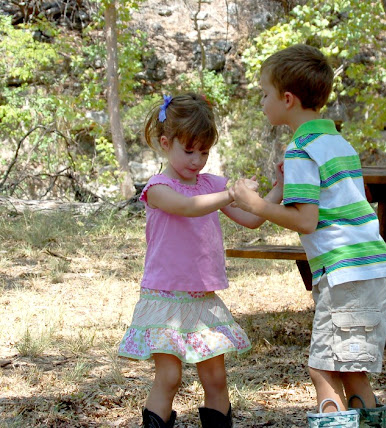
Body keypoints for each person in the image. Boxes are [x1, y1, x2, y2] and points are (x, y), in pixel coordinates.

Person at [229, 44, 386, 427]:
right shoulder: (338, 142)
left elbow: (306, 221)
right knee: (353, 371)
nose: (262, 102)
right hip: (370, 269)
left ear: (287, 99)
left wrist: (255, 203)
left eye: (265, 94)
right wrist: (270, 192)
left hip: (343, 273)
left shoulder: (301, 149)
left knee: (323, 370)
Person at [118, 93, 283, 428]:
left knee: (216, 378)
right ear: (166, 143)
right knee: (169, 377)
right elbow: (187, 207)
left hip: (203, 299)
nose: (197, 160)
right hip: (164, 298)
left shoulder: (211, 185)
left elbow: (253, 218)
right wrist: (231, 193)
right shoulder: (158, 187)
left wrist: (280, 187)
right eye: (189, 150)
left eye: (204, 152)